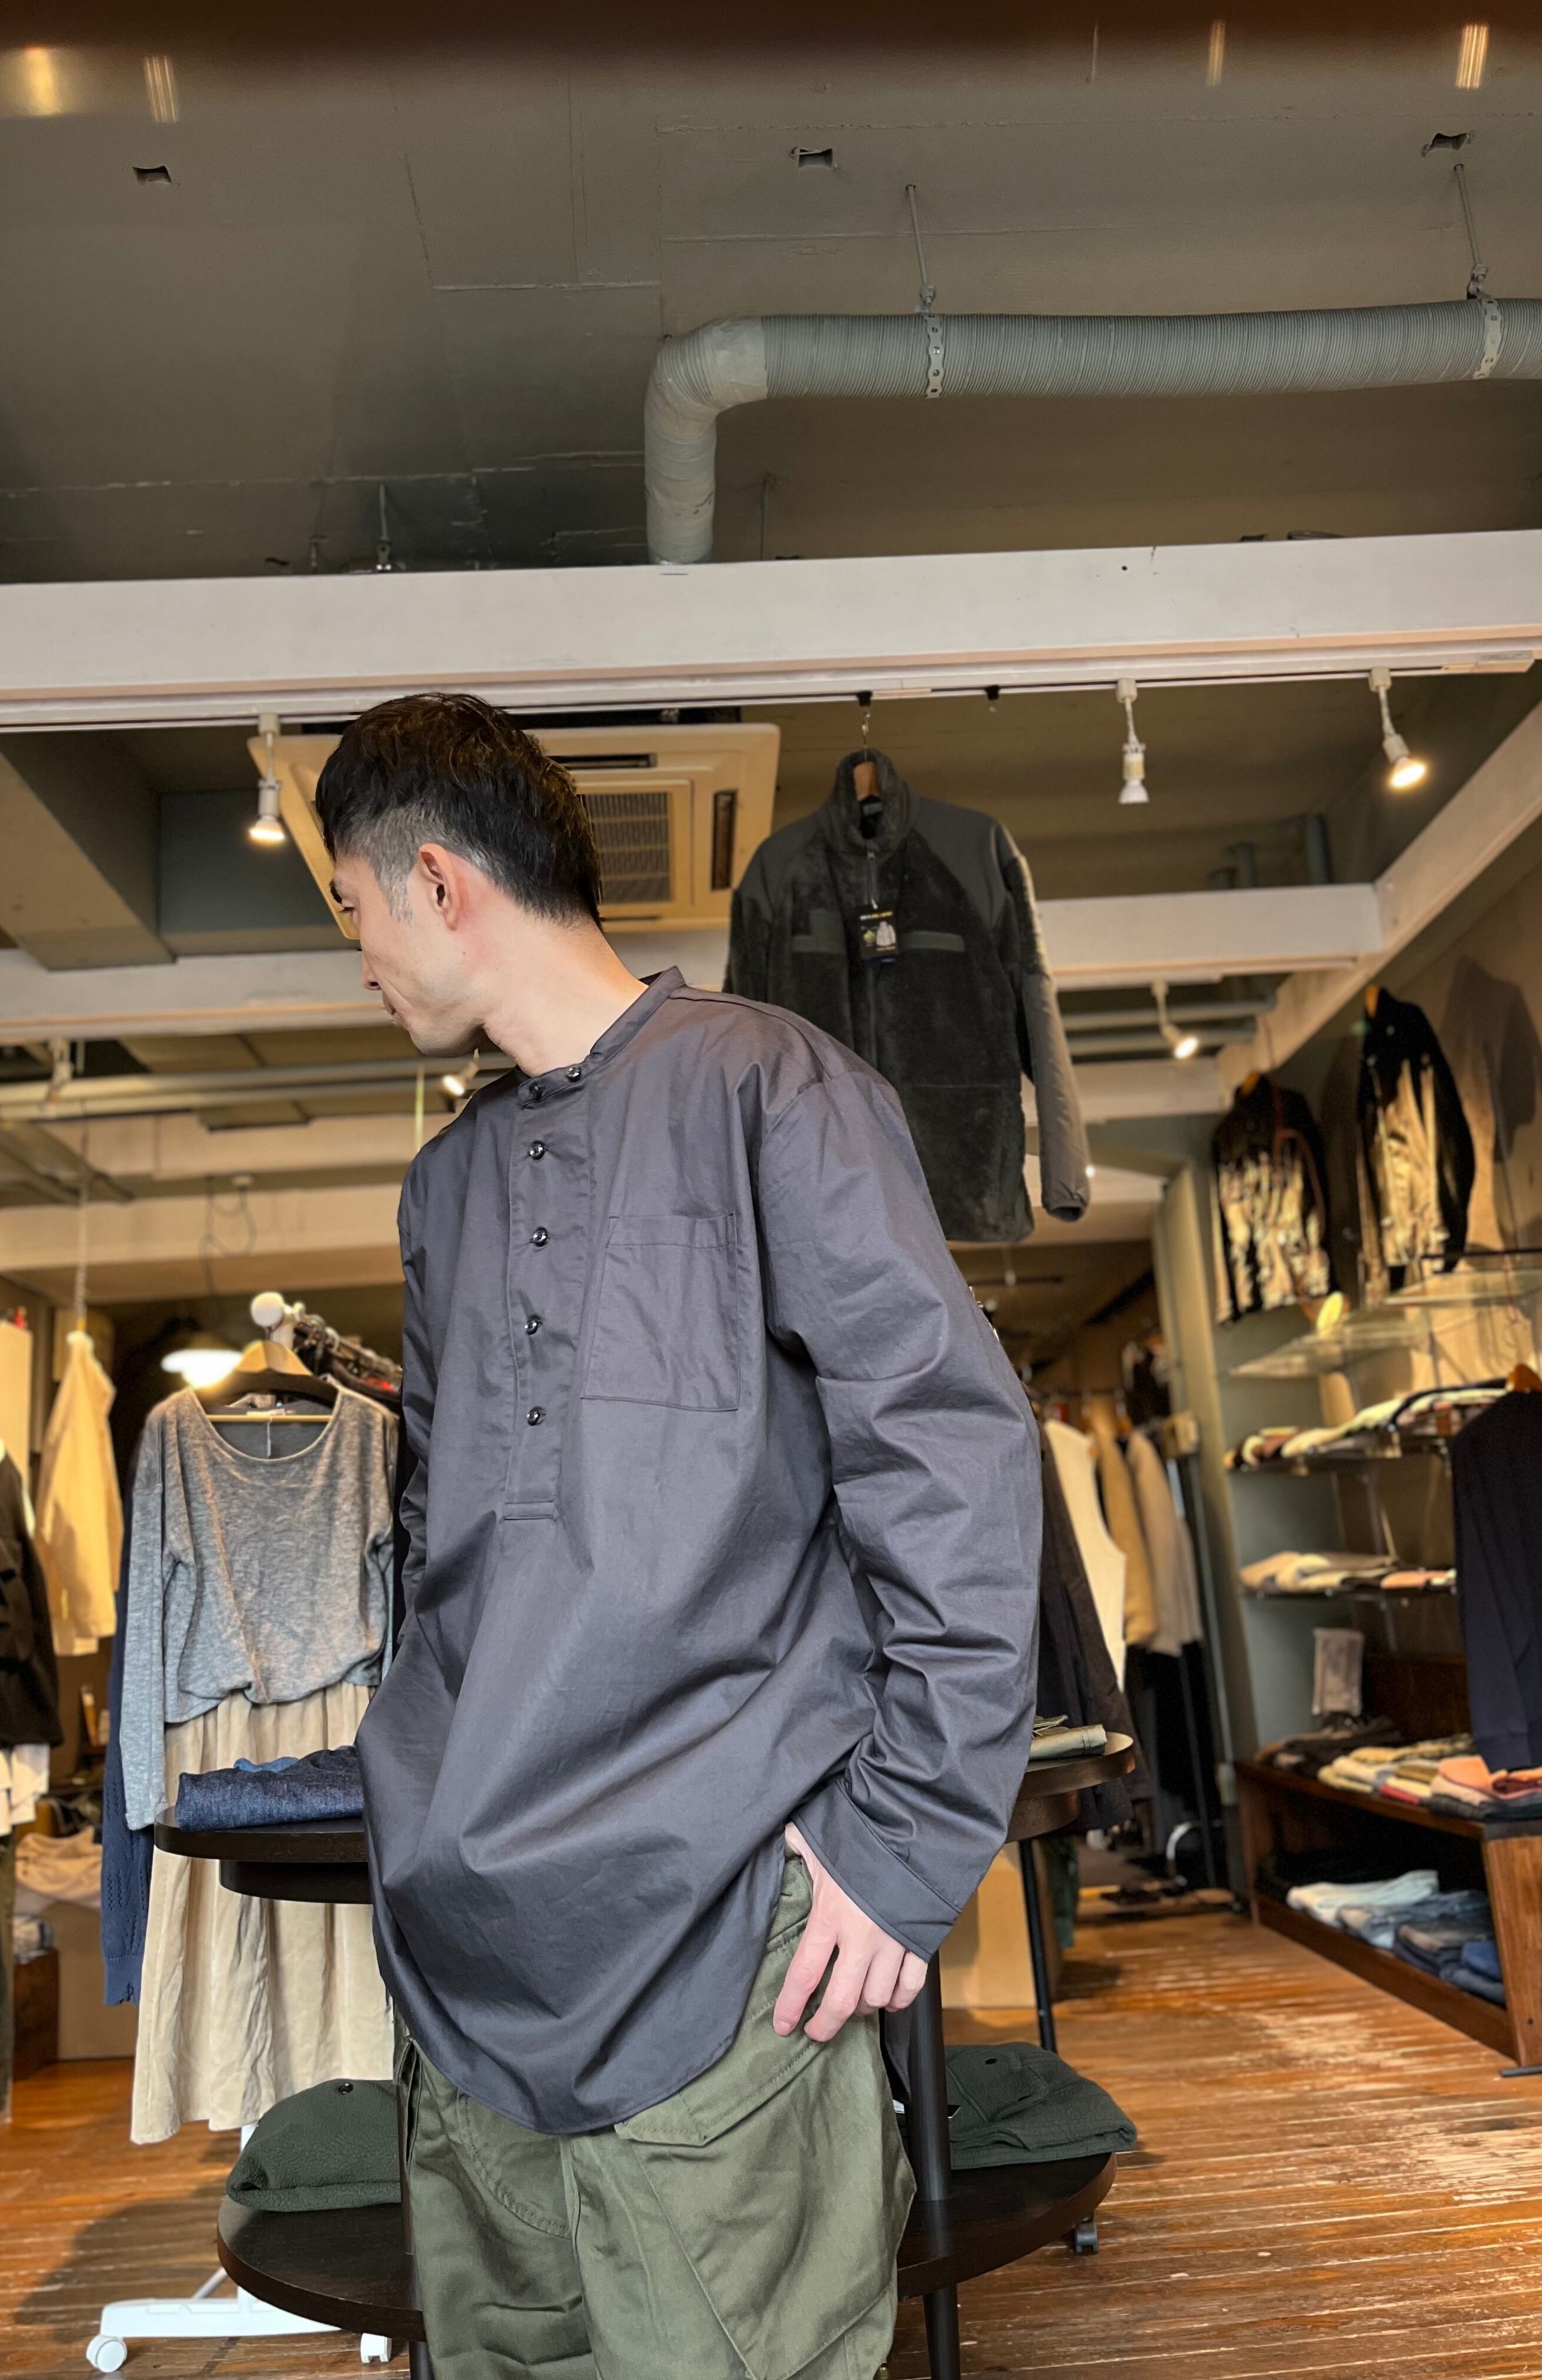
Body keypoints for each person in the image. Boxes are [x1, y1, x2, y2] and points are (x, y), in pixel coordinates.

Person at [317, 692, 1043, 2380]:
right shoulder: (445, 1188)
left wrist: (908, 1838)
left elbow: (949, 1453)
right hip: (464, 1949)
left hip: (724, 1930)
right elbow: (439, 1540)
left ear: (437, 884)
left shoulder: (774, 1086)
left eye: (353, 911)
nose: (359, 961)